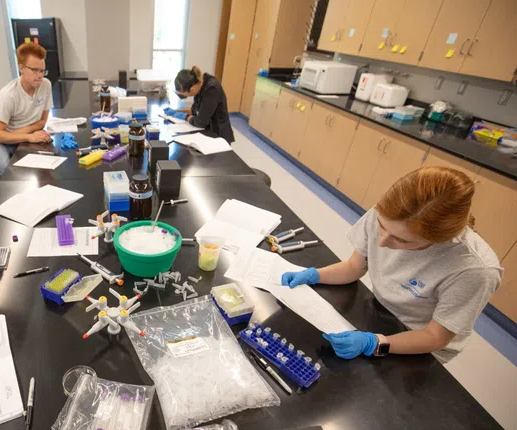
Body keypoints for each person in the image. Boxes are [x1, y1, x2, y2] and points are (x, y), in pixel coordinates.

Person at [281, 166, 502, 363]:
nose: (384, 241)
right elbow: (354, 268)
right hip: (380, 311)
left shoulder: (474, 270)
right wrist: (313, 275)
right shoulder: (388, 215)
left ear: (437, 239)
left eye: (402, 240)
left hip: (418, 343)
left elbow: (434, 337)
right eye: (381, 227)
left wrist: (375, 344)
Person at [0, 42, 54, 176]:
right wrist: (28, 137)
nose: (40, 75)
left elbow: (42, 122)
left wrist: (21, 134)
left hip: (20, 136)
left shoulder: (45, 85)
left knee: (43, 167)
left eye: (42, 71)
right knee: (7, 171)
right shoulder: (8, 95)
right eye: (35, 70)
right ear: (21, 68)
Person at [164, 65, 234, 143]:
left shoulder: (212, 89)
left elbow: (201, 122)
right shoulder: (199, 84)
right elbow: (194, 110)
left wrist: (186, 117)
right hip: (207, 130)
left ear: (192, 89)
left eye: (184, 94)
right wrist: (177, 111)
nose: (183, 96)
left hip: (218, 134)